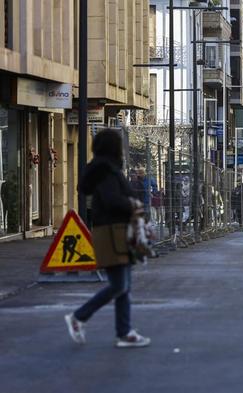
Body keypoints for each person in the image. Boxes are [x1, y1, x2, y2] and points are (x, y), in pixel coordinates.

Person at [64, 128, 150, 348]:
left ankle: (124, 332)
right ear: (114, 147)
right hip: (112, 232)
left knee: (124, 285)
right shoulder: (106, 171)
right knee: (119, 285)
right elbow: (113, 200)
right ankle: (79, 317)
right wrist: (133, 204)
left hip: (113, 230)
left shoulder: (103, 169)